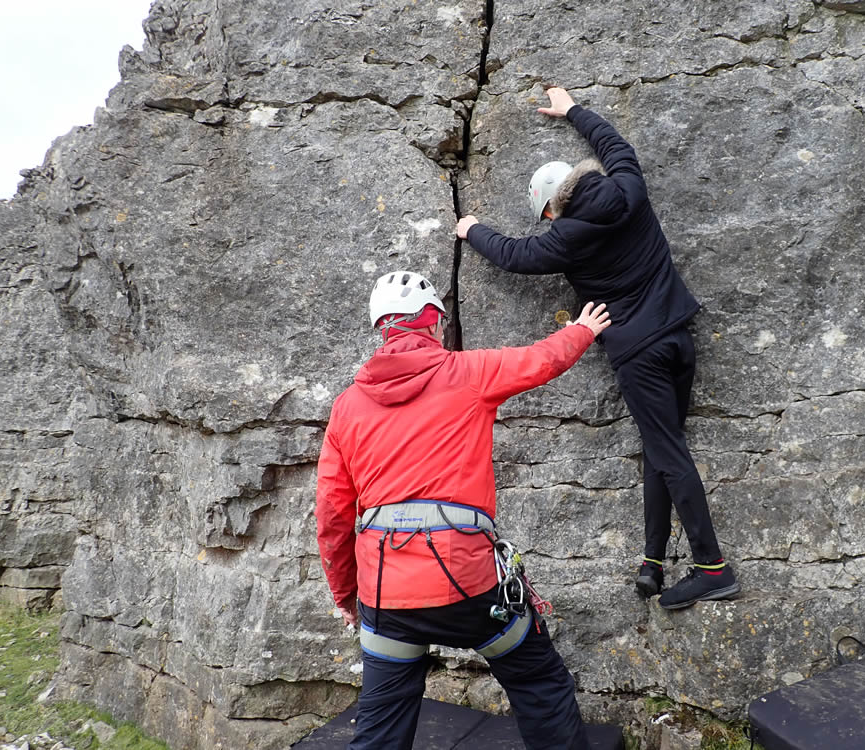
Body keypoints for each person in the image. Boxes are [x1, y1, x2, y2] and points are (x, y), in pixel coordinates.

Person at [455, 87, 740, 610]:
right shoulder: (629, 187)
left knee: (670, 454)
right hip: (678, 334)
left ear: (549, 211)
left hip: (639, 352)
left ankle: (712, 567)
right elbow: (616, 145)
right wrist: (573, 112)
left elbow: (514, 256)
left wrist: (472, 229)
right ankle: (653, 561)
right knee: (662, 448)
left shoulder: (564, 237)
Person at [315, 269, 611, 750]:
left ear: (381, 328)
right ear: (432, 321)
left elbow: (331, 512)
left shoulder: (348, 406)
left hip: (385, 592)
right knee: (539, 683)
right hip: (465, 582)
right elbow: (539, 361)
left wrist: (345, 595)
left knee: (380, 726)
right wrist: (582, 329)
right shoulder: (466, 373)